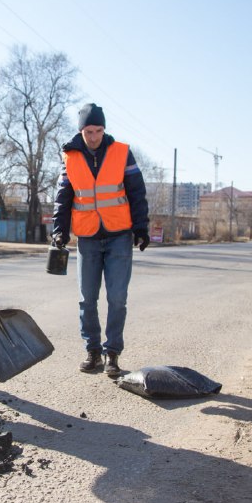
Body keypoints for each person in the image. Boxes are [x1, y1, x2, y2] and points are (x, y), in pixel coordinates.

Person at [52, 103, 150, 377]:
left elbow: (136, 191)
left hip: (119, 235)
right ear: (80, 130)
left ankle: (112, 354)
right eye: (88, 131)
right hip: (88, 237)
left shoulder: (122, 152)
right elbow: (63, 196)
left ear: (104, 129)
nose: (93, 137)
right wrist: (59, 230)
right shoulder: (69, 156)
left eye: (98, 131)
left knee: (117, 298)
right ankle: (93, 351)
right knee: (87, 299)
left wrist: (141, 228)